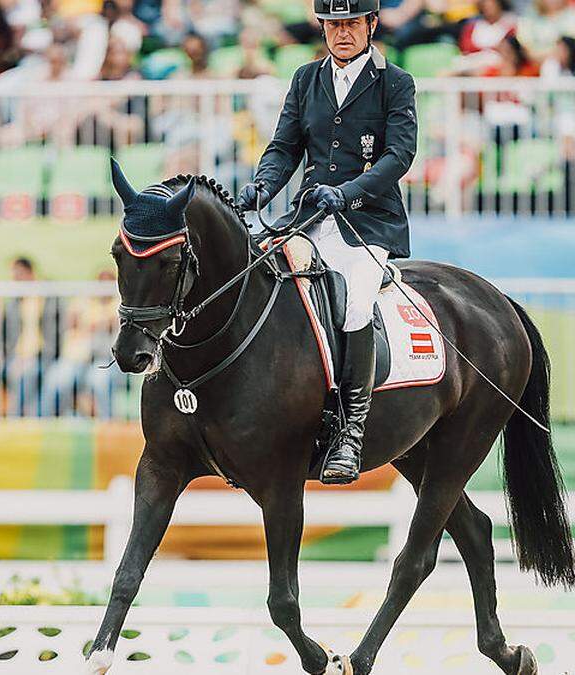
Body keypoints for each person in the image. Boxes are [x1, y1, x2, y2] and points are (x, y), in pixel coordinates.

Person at [236, 0, 418, 484]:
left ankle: (351, 430)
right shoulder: (305, 78)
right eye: (333, 25)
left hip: (368, 224)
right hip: (310, 217)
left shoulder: (395, 82)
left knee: (356, 304)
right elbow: (284, 147)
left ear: (371, 25)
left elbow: (399, 156)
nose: (341, 34)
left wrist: (349, 192)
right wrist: (263, 186)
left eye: (351, 24)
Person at [0, 257, 61, 418]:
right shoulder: (12, 303)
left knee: (24, 374)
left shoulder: (48, 299)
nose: (16, 281)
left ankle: (13, 422)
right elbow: (0, 335)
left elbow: (54, 339)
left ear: (30, 273)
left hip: (39, 360)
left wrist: (31, 358)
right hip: (12, 359)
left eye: (19, 276)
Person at [42, 269, 124, 417]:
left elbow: (111, 324)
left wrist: (92, 325)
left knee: (99, 380)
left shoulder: (119, 305)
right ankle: (45, 423)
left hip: (105, 360)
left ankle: (108, 423)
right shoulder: (85, 302)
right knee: (57, 380)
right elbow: (71, 321)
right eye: (101, 283)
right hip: (76, 358)